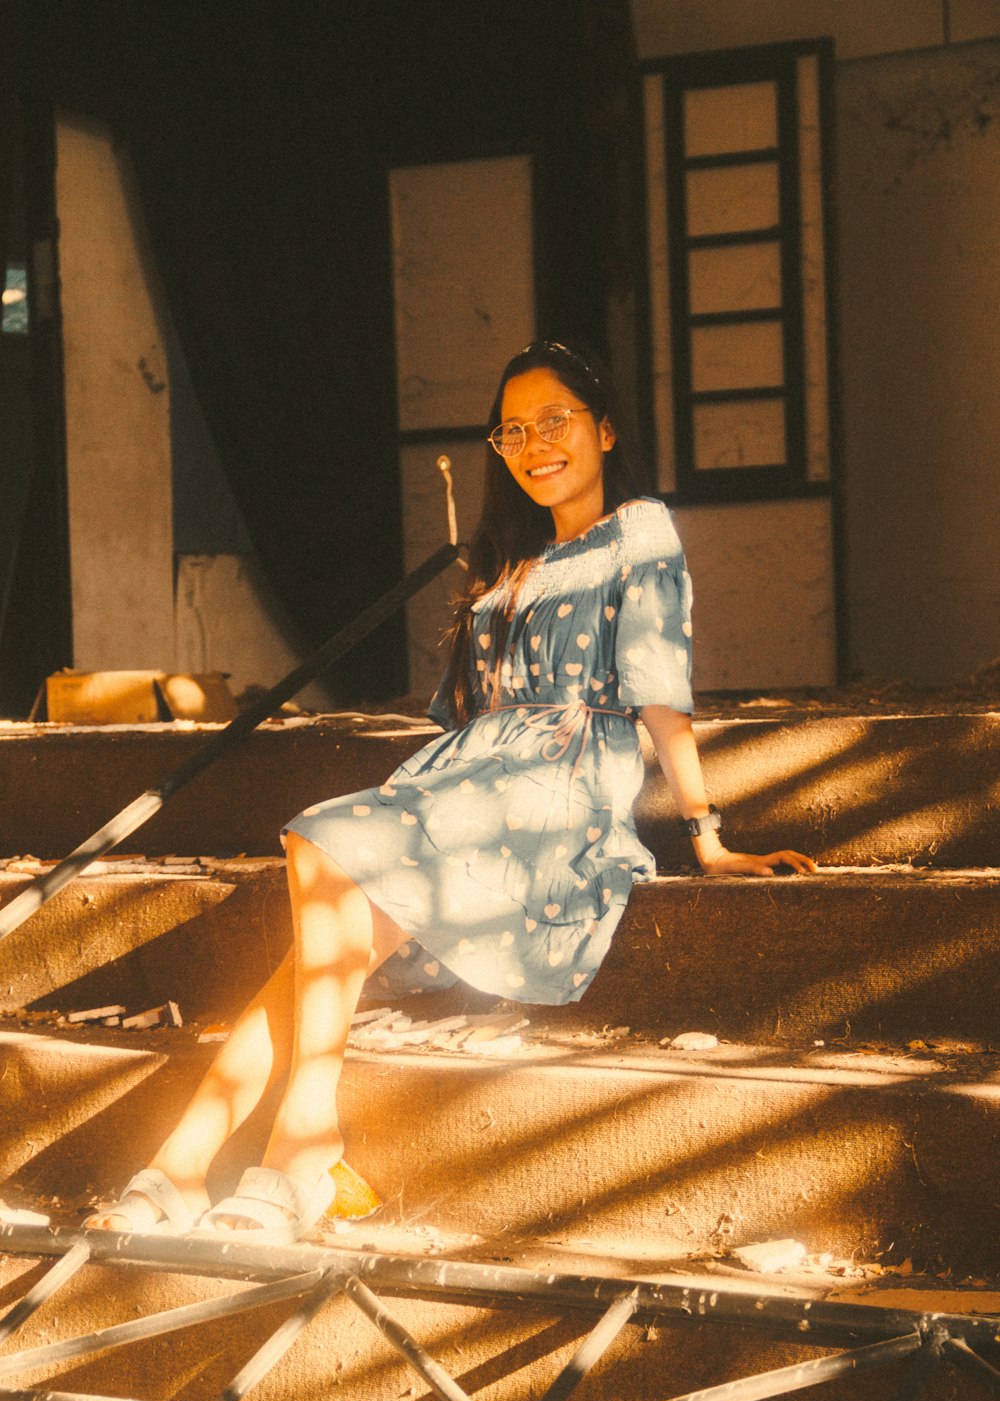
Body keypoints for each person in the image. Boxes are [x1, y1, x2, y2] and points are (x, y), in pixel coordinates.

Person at [86, 339, 816, 1243]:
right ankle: (185, 1167)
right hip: (472, 779)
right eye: (513, 430)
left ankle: (299, 1144)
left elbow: (660, 694)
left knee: (316, 838)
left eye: (556, 420)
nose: (534, 443)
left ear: (606, 427)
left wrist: (706, 835)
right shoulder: (506, 562)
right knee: (325, 944)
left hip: (555, 790)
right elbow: (463, 714)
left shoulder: (641, 531)